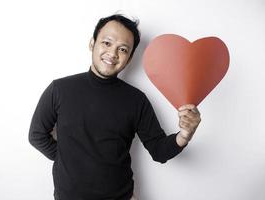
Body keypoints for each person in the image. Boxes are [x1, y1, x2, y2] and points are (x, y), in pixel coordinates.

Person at [28, 14, 201, 200]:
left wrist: (185, 135)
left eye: (123, 49)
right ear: (92, 44)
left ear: (129, 58)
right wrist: (68, 160)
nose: (113, 53)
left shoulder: (137, 100)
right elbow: (37, 135)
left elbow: (159, 151)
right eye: (107, 43)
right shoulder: (59, 89)